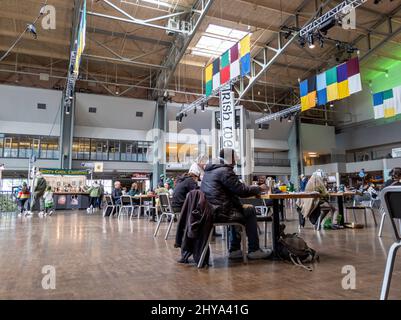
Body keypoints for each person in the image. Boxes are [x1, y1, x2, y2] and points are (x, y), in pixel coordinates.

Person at [201, 148, 271, 260]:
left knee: (238, 208)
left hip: (212, 210)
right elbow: (241, 191)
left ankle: (235, 249)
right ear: (230, 158)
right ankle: (254, 250)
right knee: (250, 210)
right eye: (235, 157)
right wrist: (258, 188)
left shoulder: (210, 170)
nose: (236, 160)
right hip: (221, 211)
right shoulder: (224, 170)